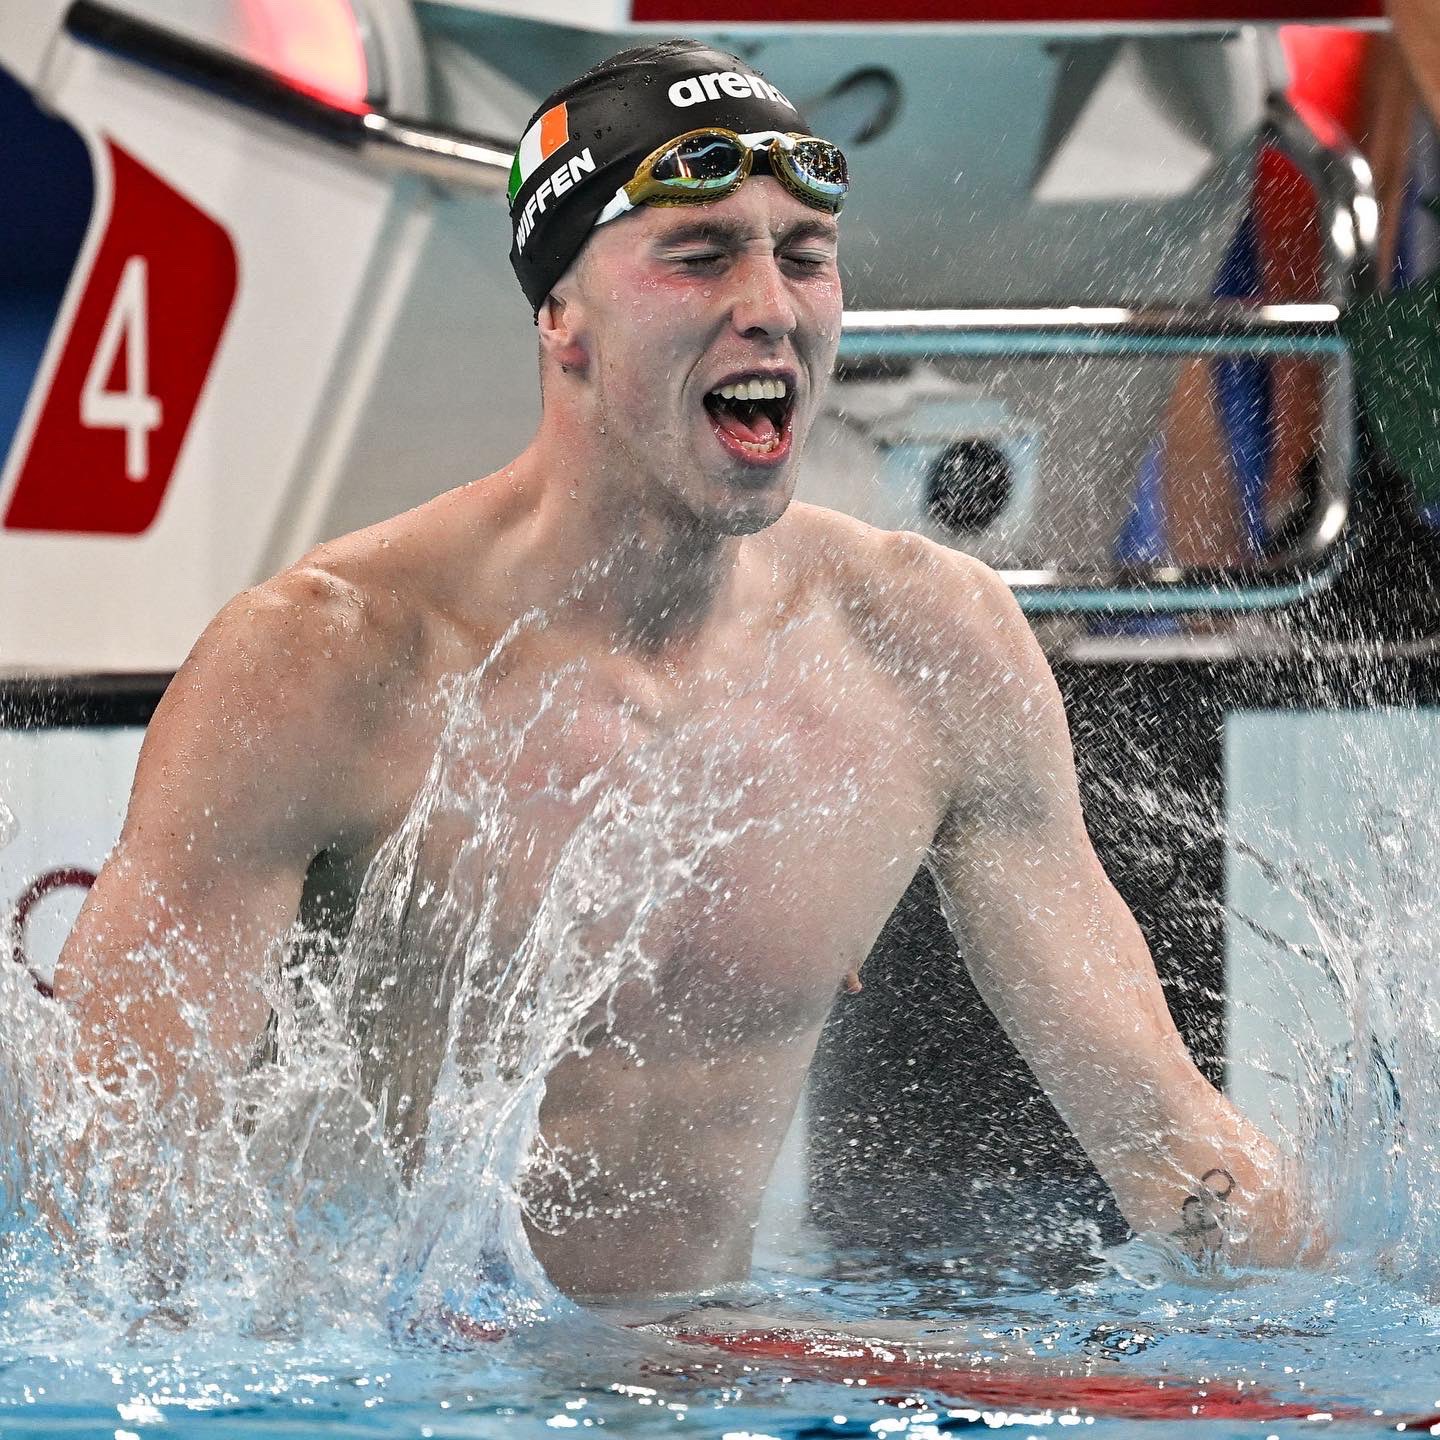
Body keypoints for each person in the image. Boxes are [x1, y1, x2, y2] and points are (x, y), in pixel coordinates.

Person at [53, 39, 1314, 1303]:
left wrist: (1329, 1339)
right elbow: (111, 1184)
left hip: (720, 1376)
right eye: (701, 254)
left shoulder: (926, 646)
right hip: (404, 1391)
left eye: (805, 256)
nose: (770, 301)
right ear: (563, 318)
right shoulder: (330, 665)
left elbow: (1169, 1137)